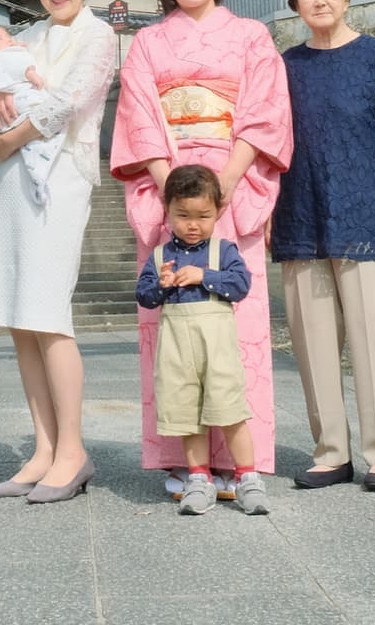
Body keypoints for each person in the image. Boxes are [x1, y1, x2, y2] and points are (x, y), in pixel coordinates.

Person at [111, 0, 292, 503]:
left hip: (232, 185)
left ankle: (241, 462)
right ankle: (184, 461)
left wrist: (228, 184)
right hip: (169, 187)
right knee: (171, 331)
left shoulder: (251, 36)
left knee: (236, 327)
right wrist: (172, 190)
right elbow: (140, 116)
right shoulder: (148, 43)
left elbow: (264, 112)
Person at [271, 0, 375, 493]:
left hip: (367, 217)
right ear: (295, 2)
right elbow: (271, 140)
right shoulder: (285, 66)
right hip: (301, 216)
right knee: (313, 345)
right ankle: (331, 452)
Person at [0, 0, 117, 504]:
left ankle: (73, 451)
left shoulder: (100, 36)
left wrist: (7, 138)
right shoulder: (24, 38)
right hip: (14, 179)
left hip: (61, 180)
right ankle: (44, 447)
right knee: (21, 317)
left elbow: (69, 102)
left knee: (49, 313)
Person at [135, 164, 270, 516]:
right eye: (183, 216)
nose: (192, 225)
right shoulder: (160, 256)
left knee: (230, 410)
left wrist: (204, 276)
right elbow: (143, 296)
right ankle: (198, 477)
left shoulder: (223, 251)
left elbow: (240, 285)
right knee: (187, 414)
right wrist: (161, 286)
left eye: (203, 216)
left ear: (217, 212)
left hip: (217, 349)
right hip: (177, 350)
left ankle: (247, 477)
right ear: (167, 211)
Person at [0, 24, 56, 205]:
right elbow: (18, 64)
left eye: (7, 35)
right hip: (21, 111)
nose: (7, 39)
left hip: (3, 124)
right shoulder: (5, 54)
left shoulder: (1, 53)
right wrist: (30, 73)